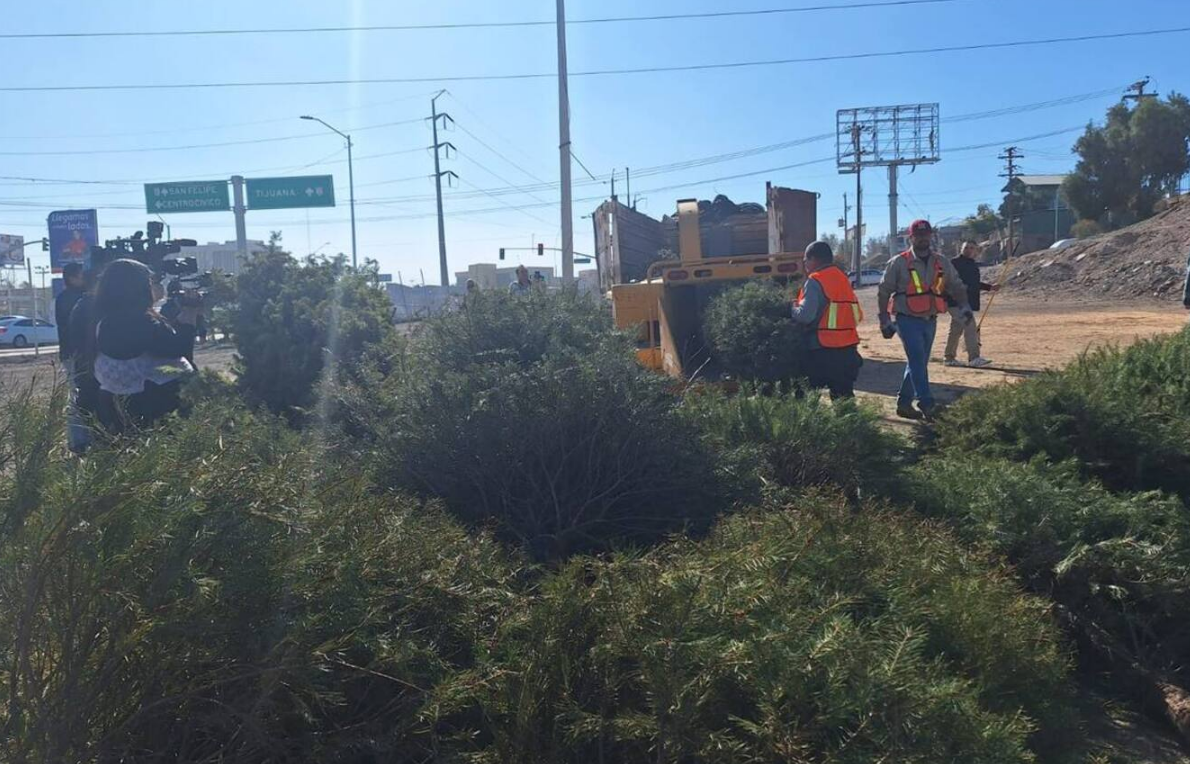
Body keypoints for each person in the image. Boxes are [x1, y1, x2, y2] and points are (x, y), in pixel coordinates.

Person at [877, 219, 972, 421]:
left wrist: (964, 307)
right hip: (906, 319)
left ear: (931, 237)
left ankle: (904, 404)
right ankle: (927, 404)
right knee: (918, 360)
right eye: (918, 235)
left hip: (930, 319)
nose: (922, 239)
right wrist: (884, 319)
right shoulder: (899, 262)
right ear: (911, 238)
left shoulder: (941, 262)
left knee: (918, 362)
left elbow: (956, 285)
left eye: (926, 235)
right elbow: (884, 291)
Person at [92, 259, 199, 433]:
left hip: (115, 405)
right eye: (151, 282)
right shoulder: (141, 322)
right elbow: (179, 348)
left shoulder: (103, 320)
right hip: (156, 407)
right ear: (138, 287)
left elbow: (157, 342)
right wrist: (190, 311)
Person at [791, 240, 864, 399]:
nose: (805, 265)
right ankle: (850, 424)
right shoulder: (843, 280)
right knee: (844, 401)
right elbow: (858, 315)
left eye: (805, 261)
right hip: (848, 351)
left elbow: (805, 315)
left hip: (822, 350)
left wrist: (792, 308)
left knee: (803, 396)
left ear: (813, 259)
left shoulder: (815, 281)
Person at [943, 240, 999, 368]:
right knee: (970, 326)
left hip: (966, 302)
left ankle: (949, 358)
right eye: (966, 247)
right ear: (961, 249)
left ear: (976, 251)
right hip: (956, 301)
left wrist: (990, 287)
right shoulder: (954, 263)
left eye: (971, 248)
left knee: (956, 329)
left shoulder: (972, 265)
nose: (968, 250)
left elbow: (974, 284)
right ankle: (974, 357)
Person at [55, 262, 86, 361]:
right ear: (71, 278)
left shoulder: (63, 297)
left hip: (74, 351)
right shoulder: (67, 299)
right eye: (82, 276)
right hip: (73, 352)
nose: (85, 278)